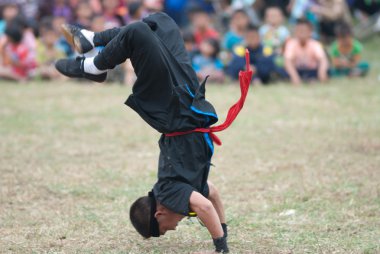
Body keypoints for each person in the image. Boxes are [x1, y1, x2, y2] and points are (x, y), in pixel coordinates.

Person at [55, 12, 252, 253]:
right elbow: (212, 195)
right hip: (188, 102)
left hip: (171, 108)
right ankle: (92, 40)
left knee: (138, 32)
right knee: (162, 22)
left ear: (159, 213)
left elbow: (205, 207)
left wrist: (221, 248)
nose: (175, 228)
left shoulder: (169, 191)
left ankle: (94, 66)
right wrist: (224, 230)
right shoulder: (183, 192)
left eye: (166, 228)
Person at [284, 18, 329, 85]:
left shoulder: (315, 44)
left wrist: (322, 72)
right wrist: (294, 77)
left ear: (310, 32)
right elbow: (288, 61)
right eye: (299, 31)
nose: (302, 33)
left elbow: (323, 60)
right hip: (297, 70)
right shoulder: (291, 44)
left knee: (326, 71)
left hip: (312, 70)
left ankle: (314, 79)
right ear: (295, 32)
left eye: (304, 31)